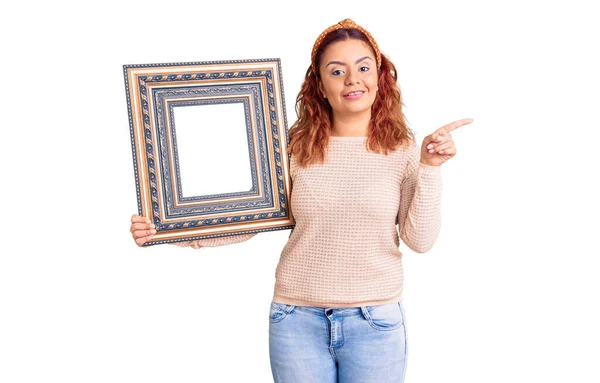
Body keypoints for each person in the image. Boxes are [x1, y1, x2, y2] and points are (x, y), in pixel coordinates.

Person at [130, 18, 472, 383]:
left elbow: (420, 240)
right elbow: (251, 219)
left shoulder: (404, 152)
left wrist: (430, 167)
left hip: (376, 323)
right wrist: (171, 230)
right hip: (296, 321)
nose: (352, 79)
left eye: (363, 67)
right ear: (321, 86)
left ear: (380, 78)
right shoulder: (294, 150)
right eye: (337, 70)